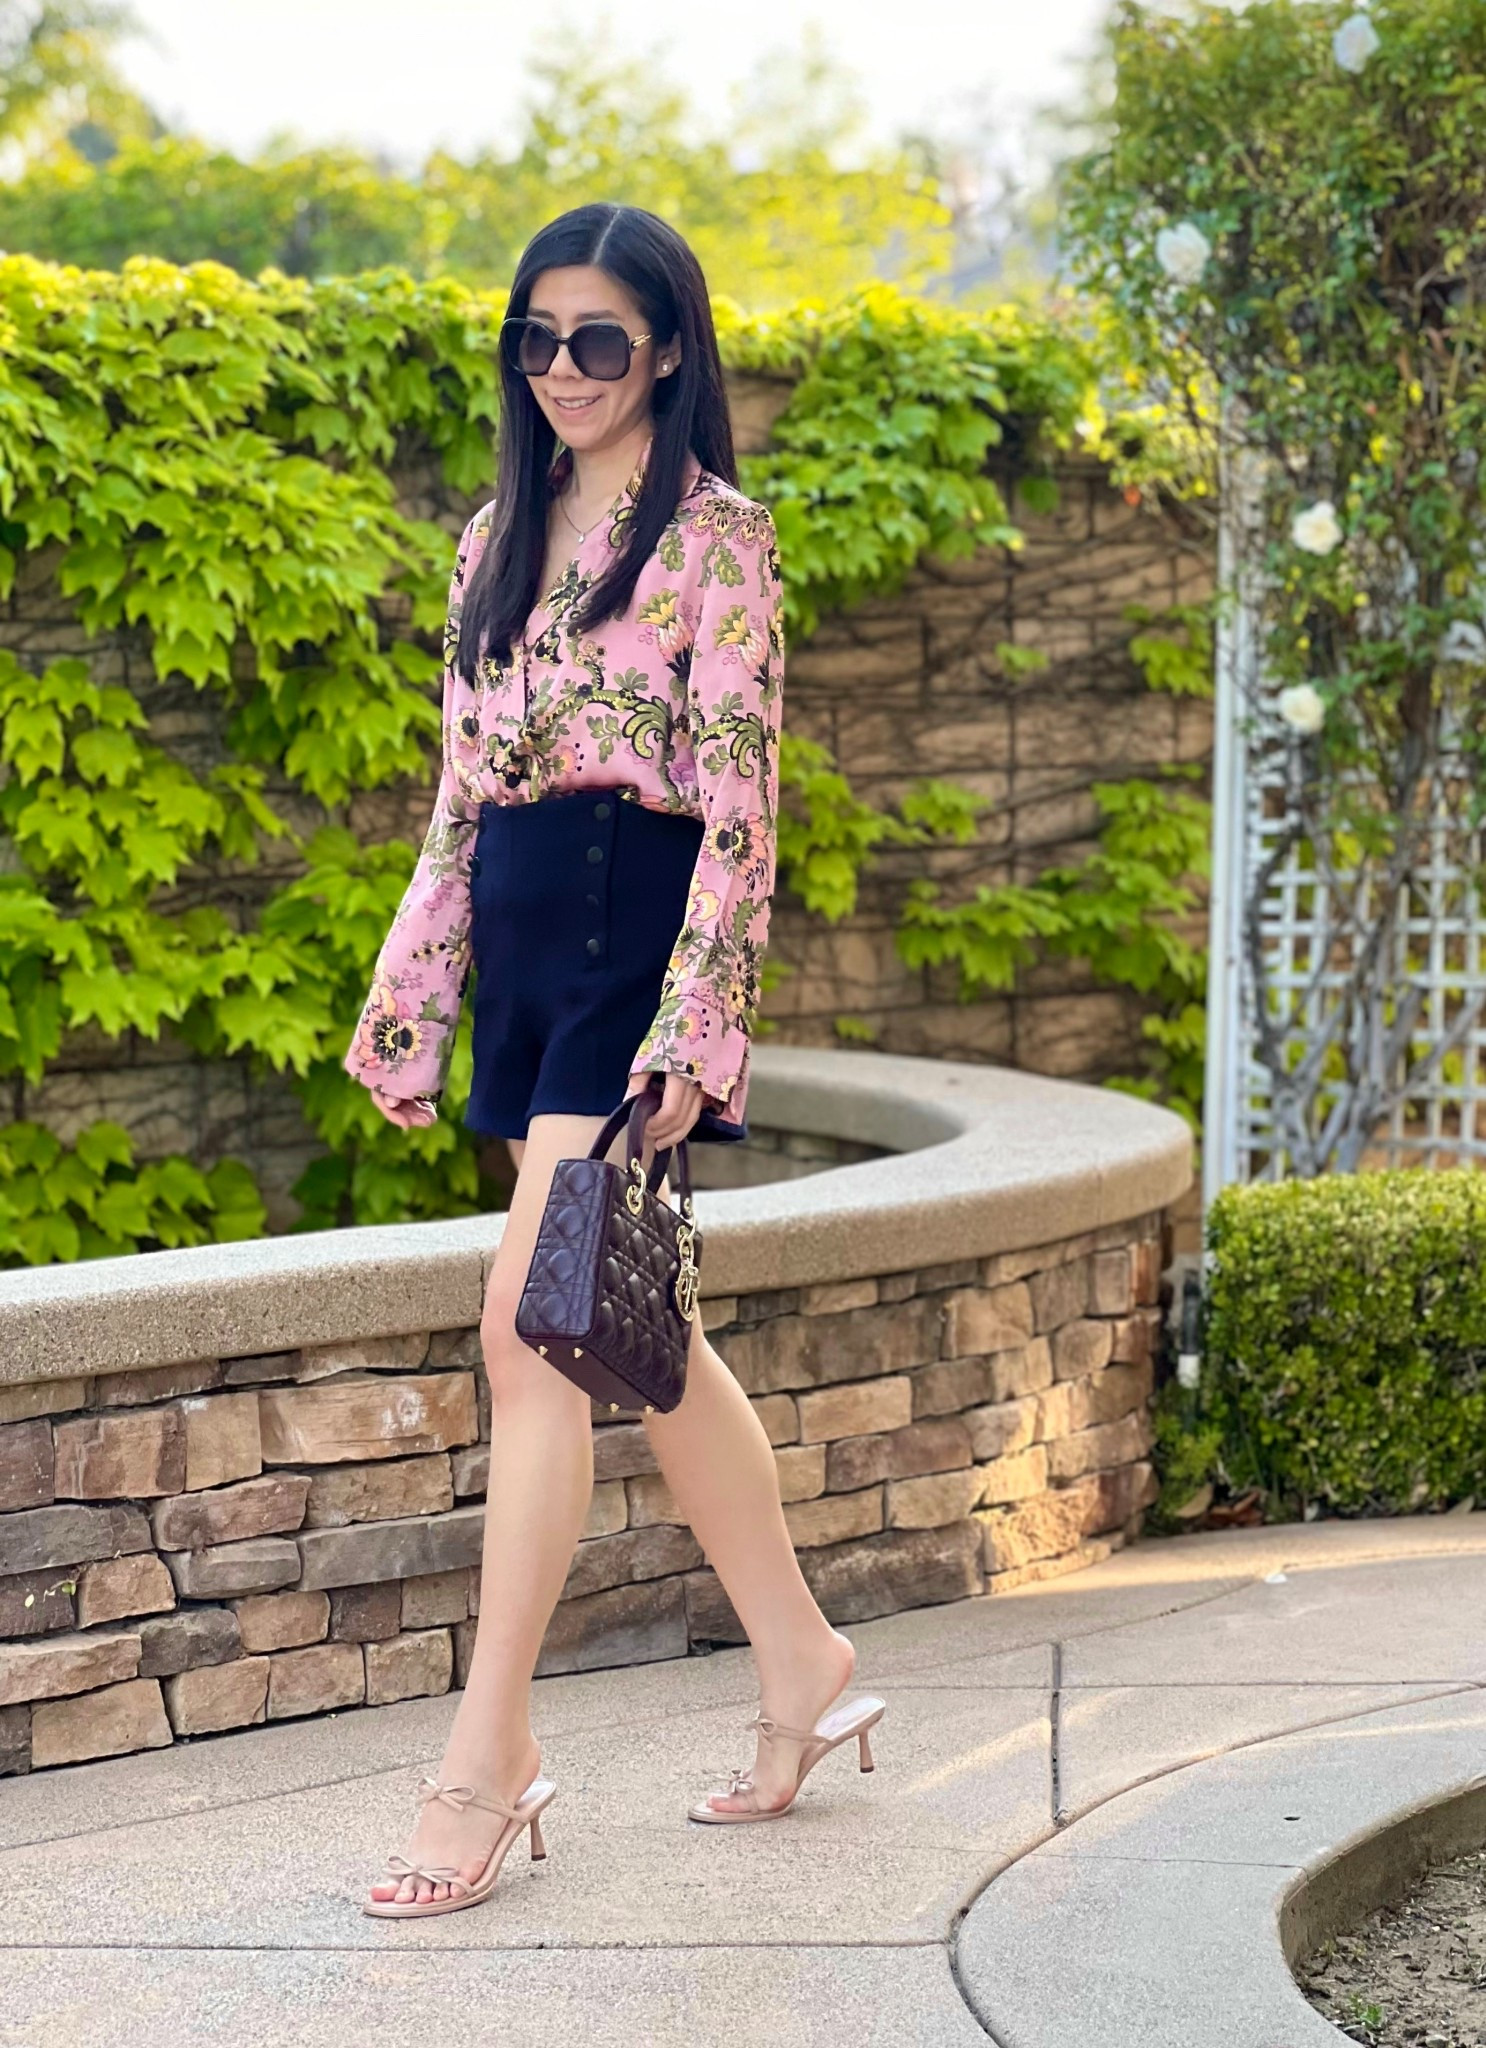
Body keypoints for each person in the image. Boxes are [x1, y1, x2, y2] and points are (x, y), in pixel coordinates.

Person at [345, 203, 885, 1919]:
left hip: (629, 934)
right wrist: (412, 986)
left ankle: (487, 1756)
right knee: (627, 1324)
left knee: (530, 1335)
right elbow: (458, 784)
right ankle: (800, 1661)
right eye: (539, 338)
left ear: (665, 346)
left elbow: (740, 796)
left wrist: (693, 1021)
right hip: (519, 930)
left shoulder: (719, 537)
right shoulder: (497, 533)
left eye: (597, 339)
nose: (562, 368)